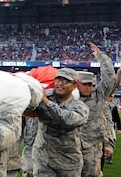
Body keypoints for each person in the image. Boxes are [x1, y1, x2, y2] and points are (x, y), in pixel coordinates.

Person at [32, 67, 89, 177]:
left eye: (66, 81)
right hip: (44, 161)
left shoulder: (80, 107)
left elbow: (67, 121)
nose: (60, 84)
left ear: (74, 86)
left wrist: (47, 102)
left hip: (67, 163)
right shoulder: (43, 98)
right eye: (58, 80)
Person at [76, 43, 117, 177]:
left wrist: (101, 57)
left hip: (92, 148)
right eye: (85, 84)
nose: (89, 87)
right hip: (71, 148)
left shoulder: (98, 95)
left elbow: (110, 78)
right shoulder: (70, 98)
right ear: (77, 84)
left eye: (91, 84)